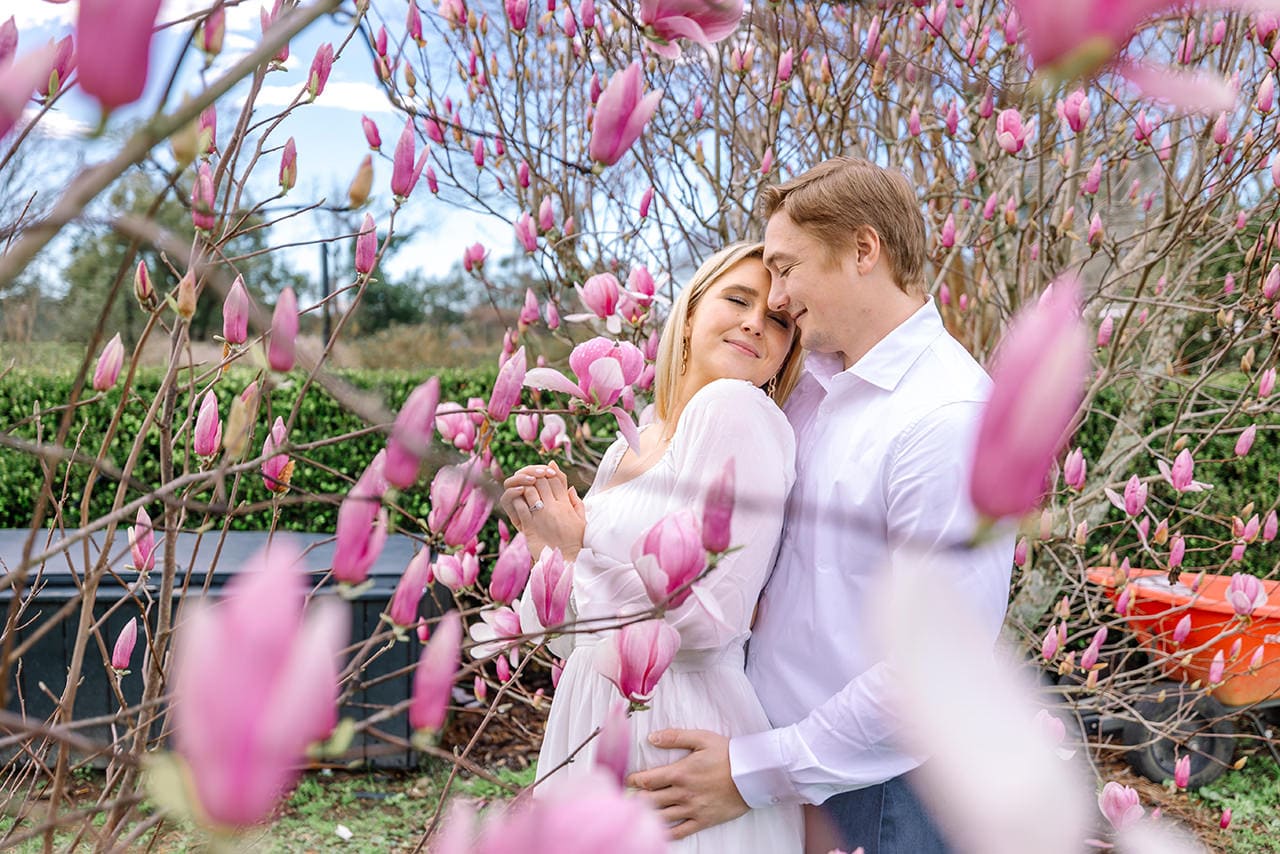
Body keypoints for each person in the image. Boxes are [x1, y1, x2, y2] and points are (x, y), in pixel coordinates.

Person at [626, 158, 1016, 854]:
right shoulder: (809, 390)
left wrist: (753, 773)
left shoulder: (949, 418)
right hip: (771, 776)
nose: (775, 297)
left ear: (863, 250)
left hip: (877, 794)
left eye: (785, 267)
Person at [499, 242, 807, 852]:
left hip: (673, 733)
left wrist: (577, 550)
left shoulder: (736, 408)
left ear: (783, 355)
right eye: (737, 300)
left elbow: (708, 621)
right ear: (689, 315)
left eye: (777, 319)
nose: (754, 321)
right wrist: (545, 547)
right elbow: (559, 635)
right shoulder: (629, 445)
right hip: (588, 722)